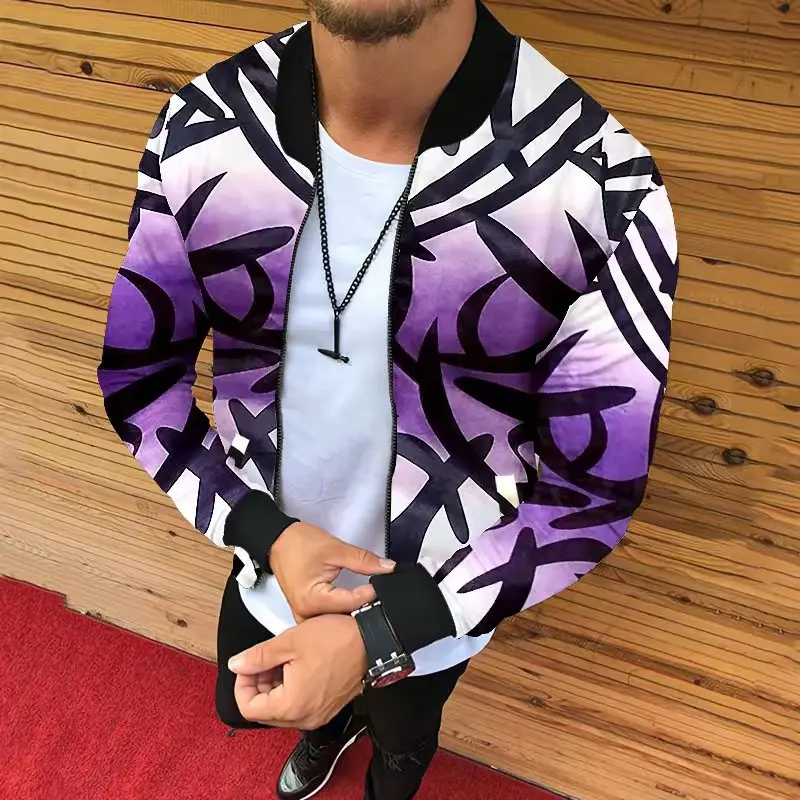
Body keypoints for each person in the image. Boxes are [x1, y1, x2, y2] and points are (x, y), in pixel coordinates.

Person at [97, 1, 678, 798]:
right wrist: (262, 532)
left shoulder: (602, 185)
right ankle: (327, 734)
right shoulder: (203, 127)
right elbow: (139, 386)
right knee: (271, 708)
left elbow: (592, 495)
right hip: (266, 564)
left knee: (404, 746)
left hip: (442, 597)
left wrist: (381, 635)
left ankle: (392, 768)